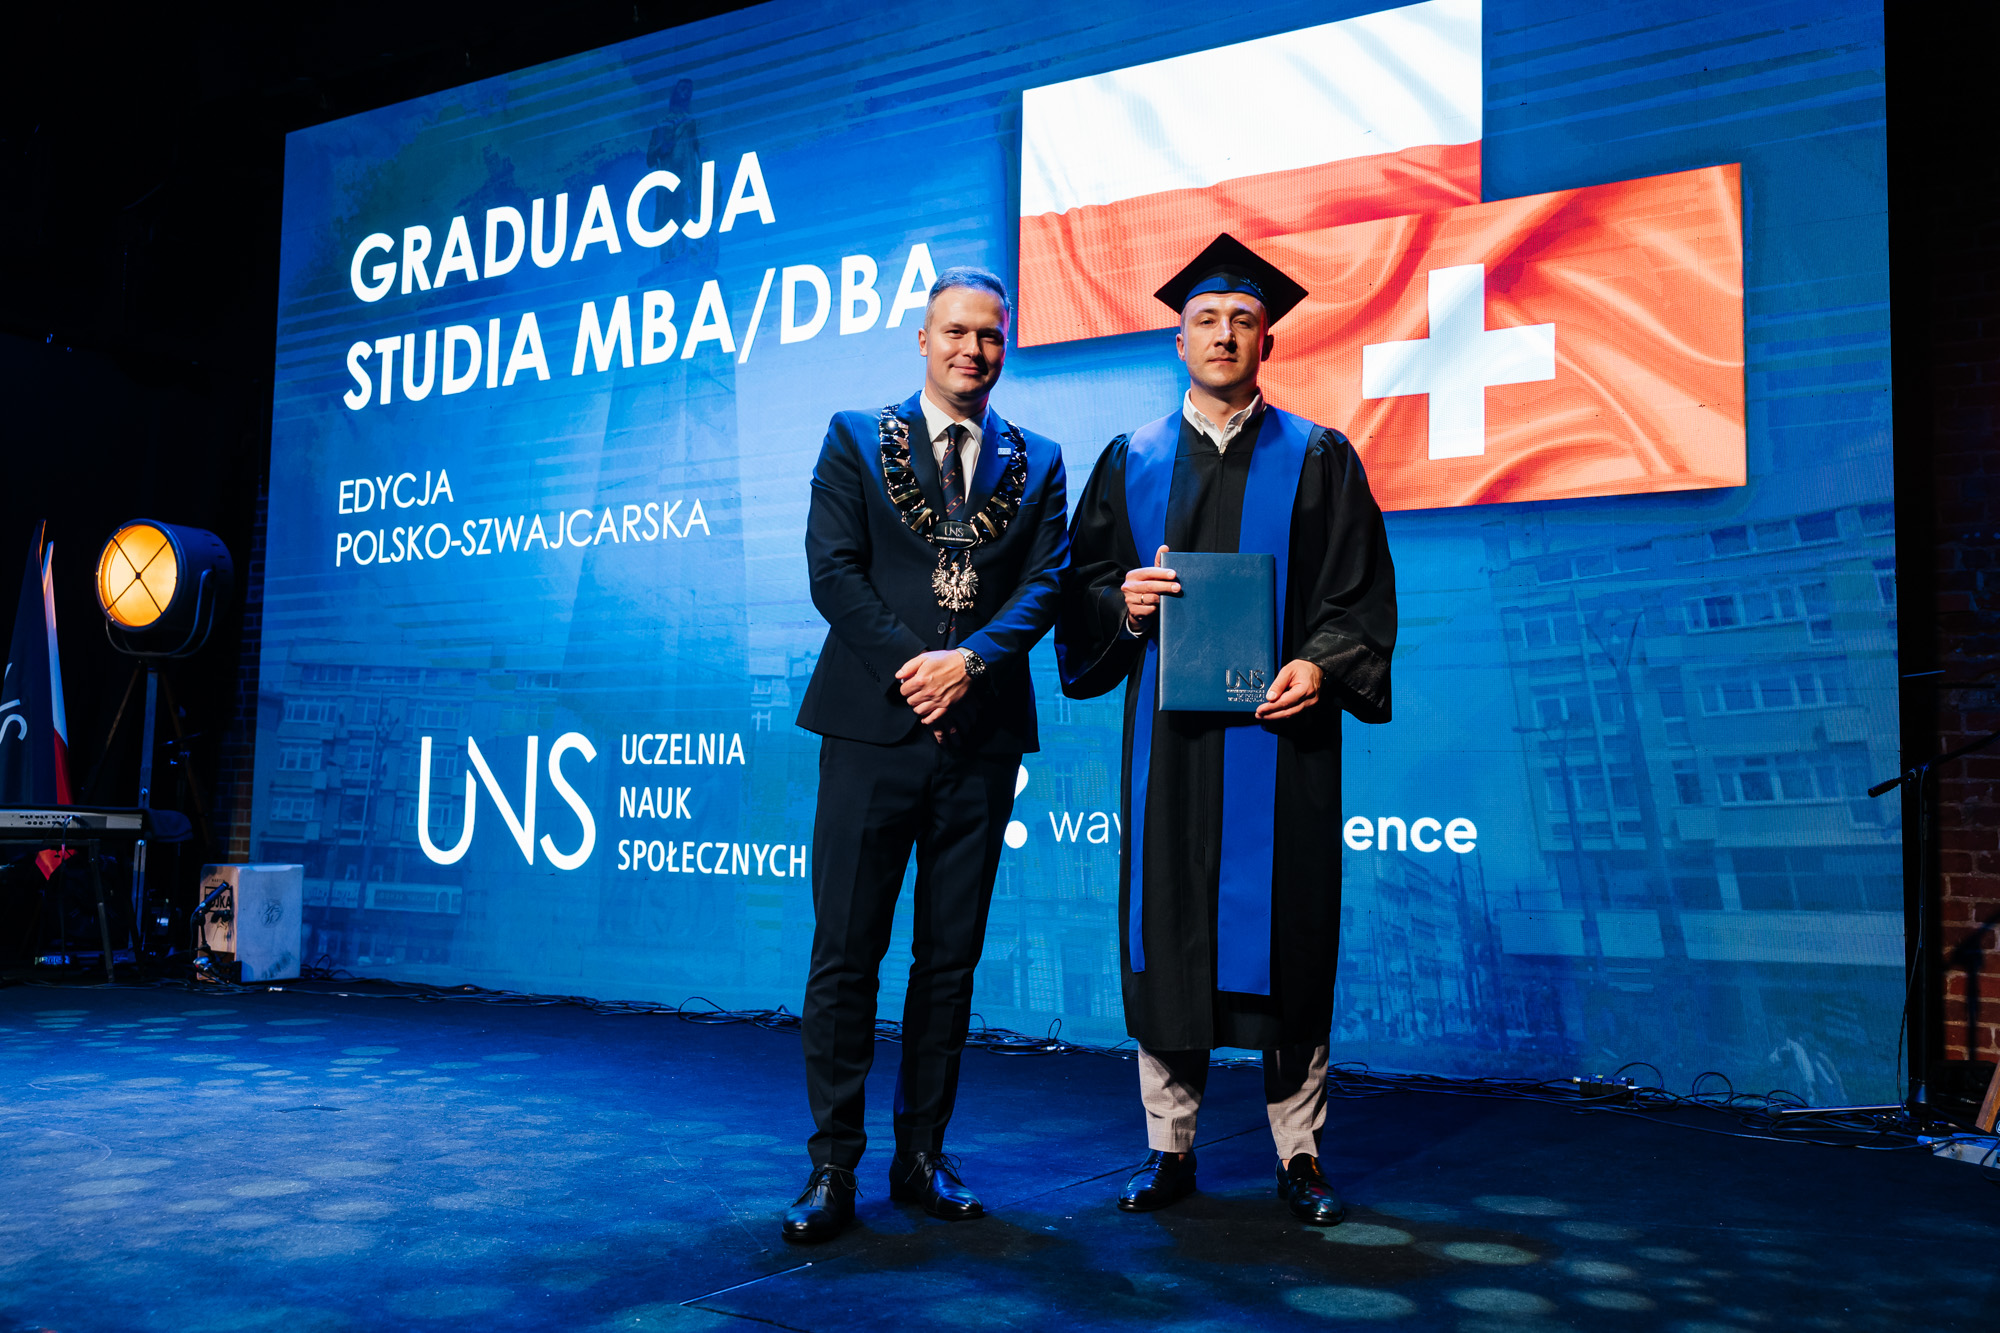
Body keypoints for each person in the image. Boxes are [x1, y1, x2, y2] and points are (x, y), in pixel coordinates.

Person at [1055, 234, 1397, 1225]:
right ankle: (1168, 1148)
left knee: (1287, 941)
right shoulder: (1131, 461)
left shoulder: (1319, 457)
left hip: (1279, 741)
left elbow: (1357, 594)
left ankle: (1301, 1154)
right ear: (1178, 340)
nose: (1223, 334)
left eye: (1243, 319)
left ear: (1267, 342)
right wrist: (1122, 603)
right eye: (1205, 319)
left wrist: (1319, 664)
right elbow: (1083, 589)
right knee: (1167, 938)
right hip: (1169, 752)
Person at [785, 267, 1070, 1243]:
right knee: (845, 952)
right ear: (922, 337)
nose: (971, 350)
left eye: (988, 335)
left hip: (981, 739)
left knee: (949, 959)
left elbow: (1046, 583)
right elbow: (832, 571)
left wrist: (971, 664)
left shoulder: (1040, 460)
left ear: (1004, 346)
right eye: (954, 331)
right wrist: (921, 670)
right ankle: (832, 1165)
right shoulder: (853, 436)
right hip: (870, 729)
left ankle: (922, 1156)